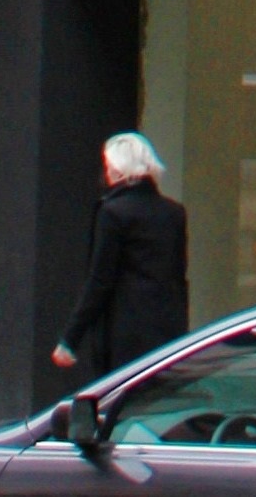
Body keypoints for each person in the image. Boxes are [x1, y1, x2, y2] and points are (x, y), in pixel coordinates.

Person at [54, 135, 191, 387]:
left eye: (107, 167)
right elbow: (178, 276)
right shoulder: (174, 213)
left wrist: (70, 339)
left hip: (125, 335)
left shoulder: (112, 213)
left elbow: (99, 280)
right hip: (168, 331)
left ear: (117, 170)